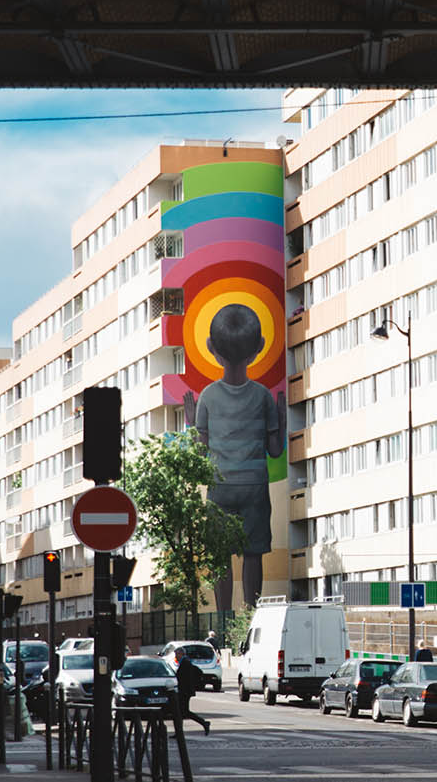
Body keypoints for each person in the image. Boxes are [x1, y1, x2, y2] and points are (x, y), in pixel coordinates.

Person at [184, 303, 286, 611]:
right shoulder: (263, 396)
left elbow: (201, 452)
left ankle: (224, 619)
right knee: (252, 554)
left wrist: (192, 422)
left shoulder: (208, 397)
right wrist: (280, 418)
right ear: (259, 348)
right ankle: (251, 617)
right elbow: (275, 451)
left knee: (219, 556)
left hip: (220, 486)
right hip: (255, 486)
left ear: (211, 348)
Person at [175, 648, 210, 736]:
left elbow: (184, 678)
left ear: (181, 654)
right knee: (182, 712)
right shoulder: (185, 662)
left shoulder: (185, 663)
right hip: (185, 691)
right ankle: (179, 732)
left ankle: (204, 723)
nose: (176, 656)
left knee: (183, 712)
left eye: (177, 654)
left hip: (185, 691)